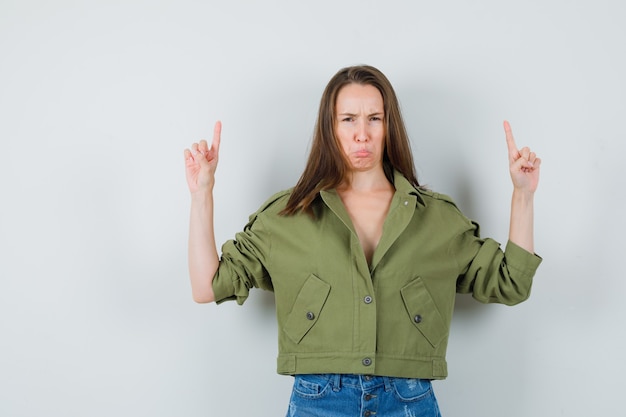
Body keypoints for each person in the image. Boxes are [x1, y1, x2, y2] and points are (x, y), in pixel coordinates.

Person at [184, 65, 542, 417]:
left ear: (390, 127)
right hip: (319, 401)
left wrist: (522, 196)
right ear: (330, 127)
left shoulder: (437, 217)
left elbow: (512, 283)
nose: (362, 134)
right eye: (348, 119)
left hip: (409, 401)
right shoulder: (287, 215)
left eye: (374, 118)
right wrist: (203, 194)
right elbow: (207, 286)